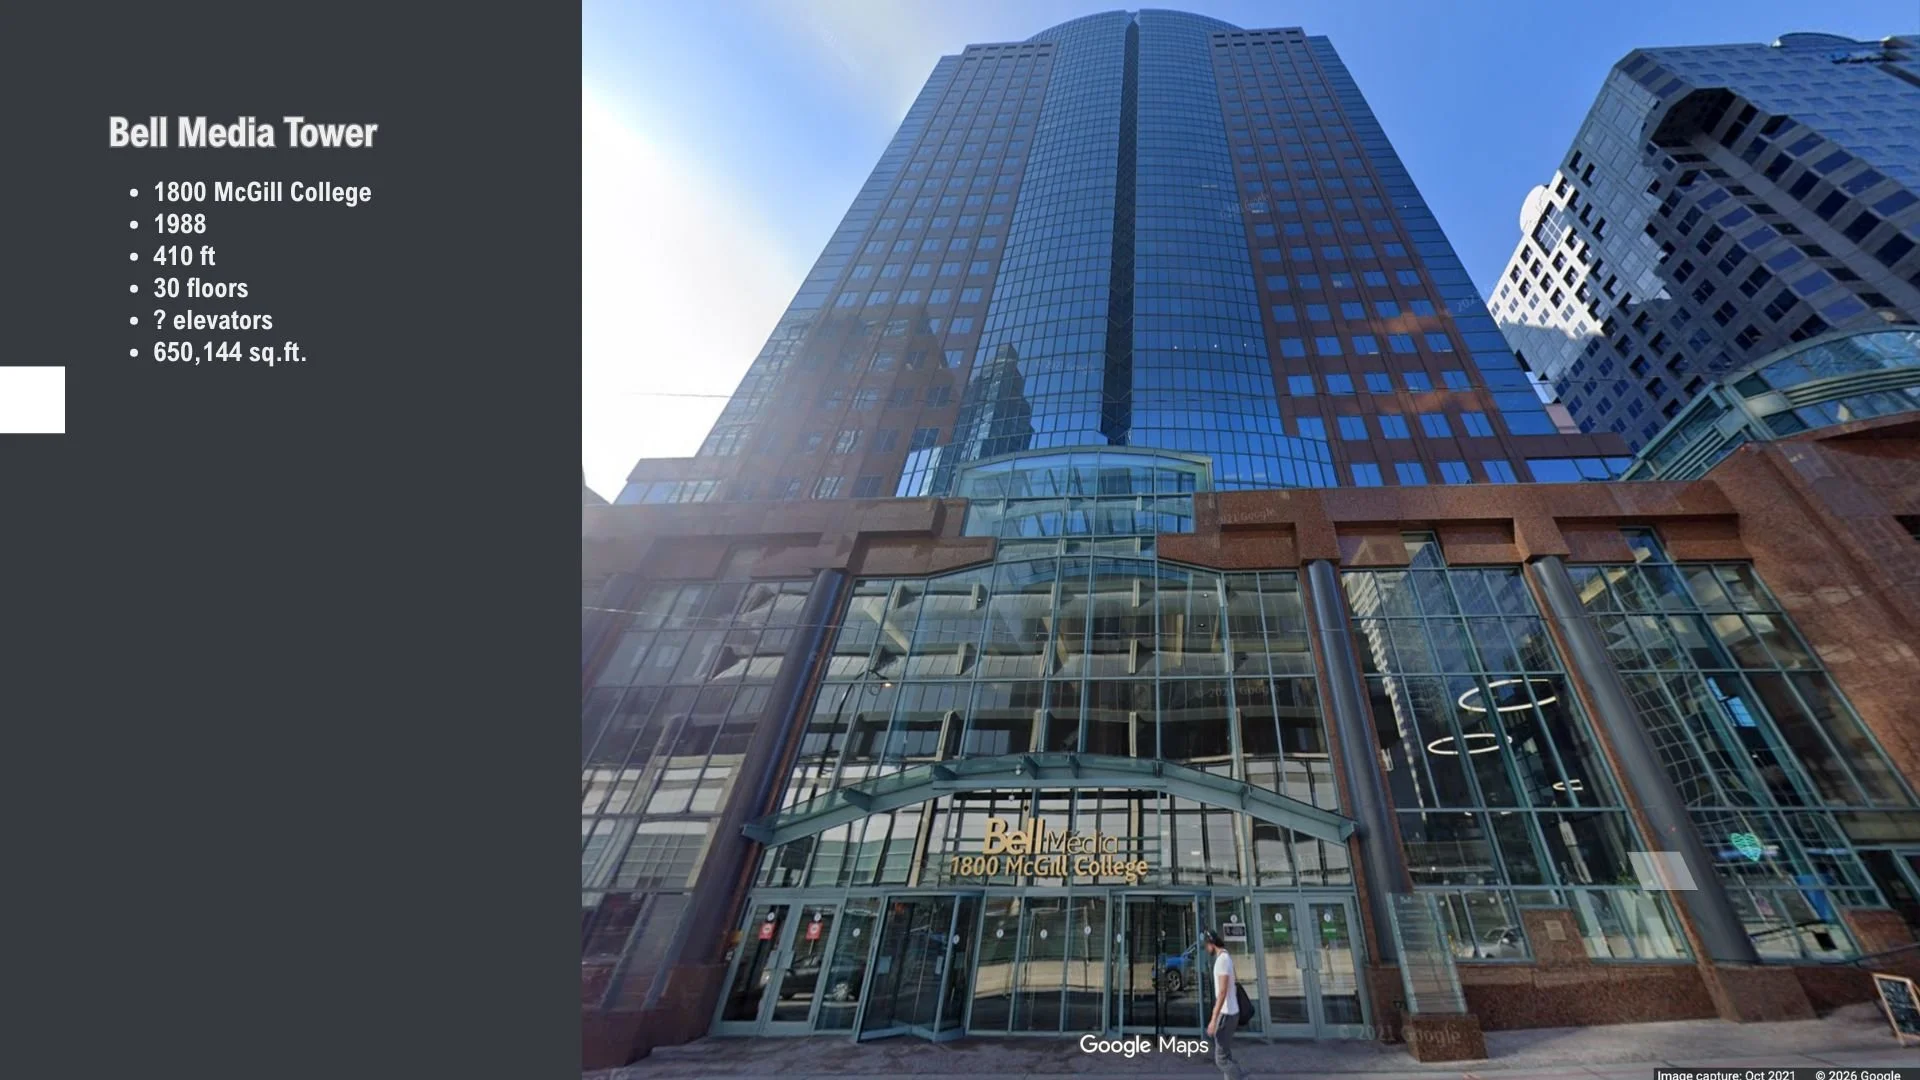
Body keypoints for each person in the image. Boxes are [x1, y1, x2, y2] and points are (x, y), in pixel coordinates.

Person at [1202, 929, 1245, 1080]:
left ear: (1212, 944)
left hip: (1226, 1014)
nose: (1206, 949)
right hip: (1231, 1012)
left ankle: (1241, 1078)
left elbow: (1222, 992)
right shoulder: (1227, 958)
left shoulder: (1222, 961)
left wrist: (1214, 1019)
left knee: (1221, 1059)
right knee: (1225, 1053)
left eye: (1206, 946)